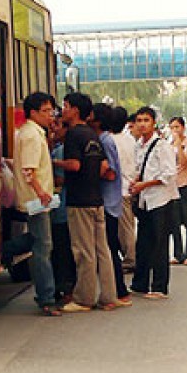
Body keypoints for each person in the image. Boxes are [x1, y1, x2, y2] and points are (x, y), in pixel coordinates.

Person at [55, 92, 118, 312]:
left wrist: (53, 161)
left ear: (75, 110)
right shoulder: (93, 135)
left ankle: (84, 298)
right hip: (96, 199)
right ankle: (109, 296)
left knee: (83, 251)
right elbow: (103, 167)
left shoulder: (73, 135)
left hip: (79, 200)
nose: (63, 110)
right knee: (102, 249)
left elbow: (74, 165)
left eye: (65, 106)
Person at [11, 92, 62, 316]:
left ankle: (2, 252)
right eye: (46, 111)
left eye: (51, 110)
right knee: (43, 248)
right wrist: (42, 193)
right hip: (37, 200)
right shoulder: (31, 135)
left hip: (38, 198)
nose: (51, 115)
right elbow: (29, 172)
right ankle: (47, 298)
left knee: (36, 239)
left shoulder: (33, 133)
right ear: (33, 113)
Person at [129, 106, 178, 300]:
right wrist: (137, 183)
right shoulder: (138, 145)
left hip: (161, 200)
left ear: (154, 123)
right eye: (139, 120)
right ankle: (140, 283)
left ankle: (159, 286)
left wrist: (145, 184)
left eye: (146, 120)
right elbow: (140, 169)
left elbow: (168, 174)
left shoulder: (162, 146)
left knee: (159, 244)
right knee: (143, 242)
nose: (142, 124)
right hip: (145, 200)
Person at [92, 103, 132, 304]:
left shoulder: (104, 141)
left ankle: (120, 290)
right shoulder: (105, 139)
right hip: (111, 201)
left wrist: (92, 172)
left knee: (109, 248)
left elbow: (111, 172)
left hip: (108, 202)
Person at [49, 112, 76, 303]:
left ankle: (65, 290)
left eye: (58, 125)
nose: (54, 128)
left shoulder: (60, 152)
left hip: (60, 209)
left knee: (61, 251)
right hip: (65, 208)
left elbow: (59, 179)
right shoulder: (60, 148)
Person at [110, 106, 137, 272]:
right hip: (130, 187)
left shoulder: (112, 141)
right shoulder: (129, 139)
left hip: (120, 190)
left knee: (124, 228)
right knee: (128, 225)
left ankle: (130, 260)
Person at [168, 116, 187, 265]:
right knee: (174, 221)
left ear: (183, 128)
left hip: (186, 185)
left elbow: (184, 161)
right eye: (172, 127)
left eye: (177, 127)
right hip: (173, 186)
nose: (174, 130)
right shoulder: (168, 144)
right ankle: (177, 253)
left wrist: (179, 144)